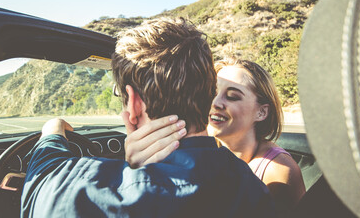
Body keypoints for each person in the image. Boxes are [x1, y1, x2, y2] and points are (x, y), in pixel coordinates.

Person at [21, 18, 276, 218]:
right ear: (208, 94)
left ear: (133, 103)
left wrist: (53, 128)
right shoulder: (253, 189)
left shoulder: (75, 190)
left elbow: (43, 175)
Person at [126, 58, 306, 217]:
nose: (216, 103)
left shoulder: (278, 171)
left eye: (232, 97)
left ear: (261, 112)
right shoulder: (194, 149)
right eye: (212, 93)